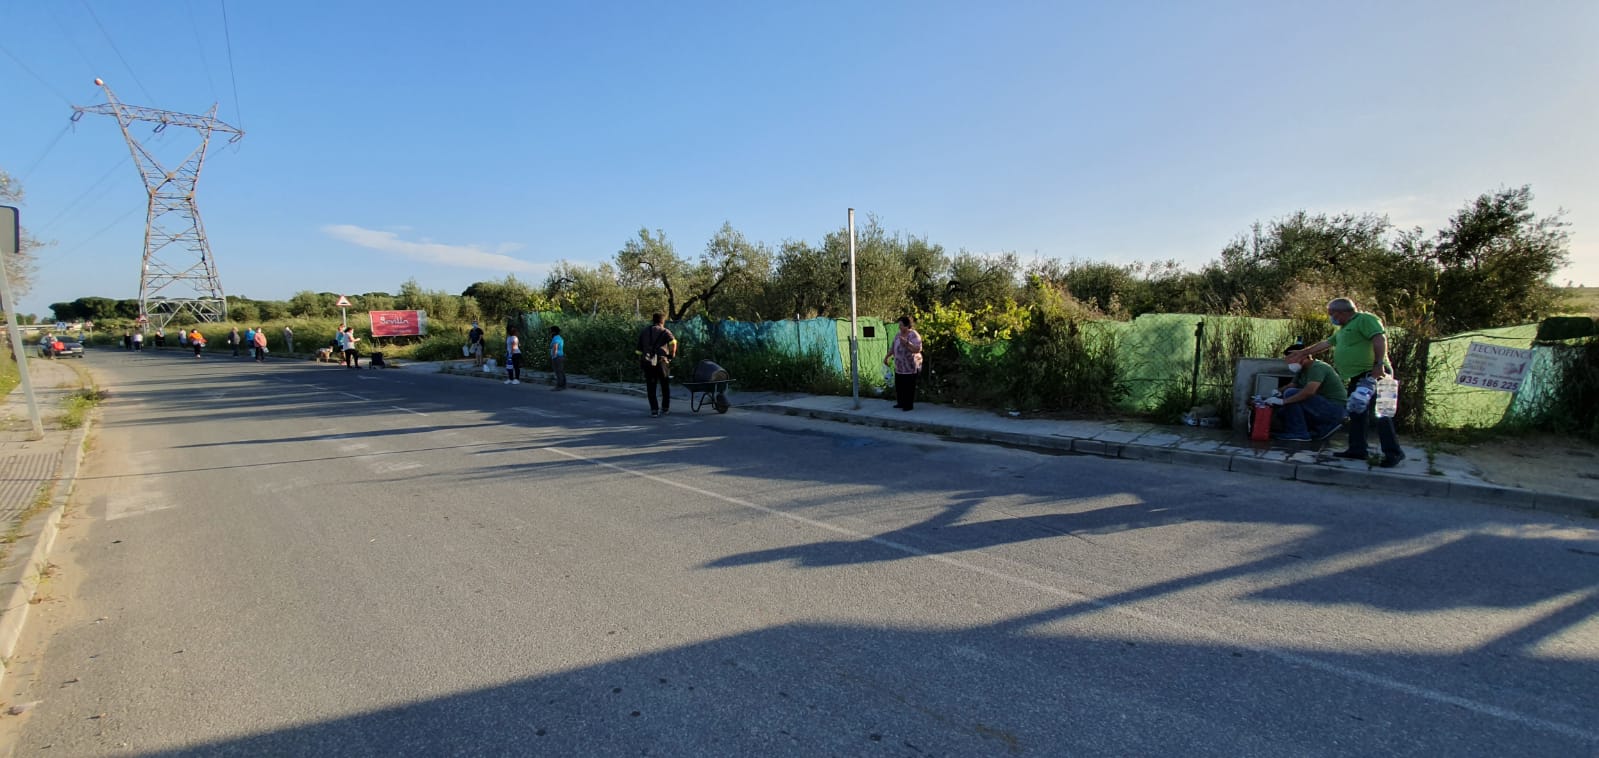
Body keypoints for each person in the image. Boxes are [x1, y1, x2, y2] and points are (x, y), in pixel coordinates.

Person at [1287, 298, 1405, 467]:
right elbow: (1326, 343)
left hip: (1374, 373)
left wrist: (1378, 364)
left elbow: (1379, 339)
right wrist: (1303, 353)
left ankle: (1393, 453)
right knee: (1356, 412)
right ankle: (1357, 449)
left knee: (1381, 414)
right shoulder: (1344, 329)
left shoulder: (1364, 319)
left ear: (1341, 312)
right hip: (1358, 376)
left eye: (1331, 314)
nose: (1331, 318)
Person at [1266, 344, 1348, 442]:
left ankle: (1299, 433)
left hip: (1334, 409)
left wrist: (1283, 401)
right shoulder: (1302, 370)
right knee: (1282, 412)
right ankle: (1319, 429)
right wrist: (1277, 392)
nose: (1289, 363)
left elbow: (1309, 392)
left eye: (1291, 359)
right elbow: (1292, 385)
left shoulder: (1318, 368)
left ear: (1302, 356)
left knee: (1290, 394)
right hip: (1322, 406)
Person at [636, 313, 676, 417]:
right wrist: (671, 356)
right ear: (663, 321)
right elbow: (673, 342)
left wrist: (641, 362)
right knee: (664, 385)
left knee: (651, 386)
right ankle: (665, 408)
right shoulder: (665, 331)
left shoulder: (644, 331)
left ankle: (654, 410)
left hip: (648, 362)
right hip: (662, 361)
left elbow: (639, 350)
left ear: (653, 320)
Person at [885, 315, 924, 411]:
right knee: (900, 385)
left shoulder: (914, 335)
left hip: (910, 366)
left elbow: (918, 349)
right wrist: (887, 357)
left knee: (908, 386)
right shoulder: (898, 335)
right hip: (899, 366)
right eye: (899, 325)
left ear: (907, 326)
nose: (899, 327)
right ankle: (901, 403)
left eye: (901, 325)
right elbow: (893, 347)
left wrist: (907, 343)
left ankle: (908, 405)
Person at [549, 326, 567, 390]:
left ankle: (559, 386)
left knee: (558, 372)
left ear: (553, 331)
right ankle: (563, 385)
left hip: (557, 357)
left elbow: (555, 347)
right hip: (560, 356)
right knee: (561, 371)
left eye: (550, 331)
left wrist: (553, 356)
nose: (550, 332)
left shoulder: (556, 338)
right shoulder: (559, 337)